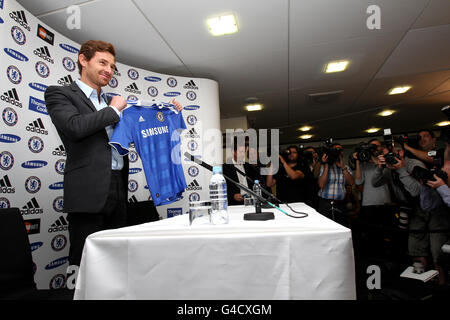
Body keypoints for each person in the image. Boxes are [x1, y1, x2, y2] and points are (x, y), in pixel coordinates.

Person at [44, 40, 182, 267]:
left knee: (117, 261)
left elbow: (144, 127)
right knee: (84, 262)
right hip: (87, 193)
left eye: (112, 66)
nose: (108, 70)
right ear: (83, 60)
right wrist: (113, 110)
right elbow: (74, 127)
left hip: (118, 188)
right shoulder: (60, 94)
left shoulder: (113, 101)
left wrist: (168, 112)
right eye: (102, 62)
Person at [352, 138, 394, 257]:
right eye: (372, 147)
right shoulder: (365, 165)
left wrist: (381, 163)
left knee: (388, 236)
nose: (375, 149)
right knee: (372, 238)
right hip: (369, 206)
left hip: (385, 204)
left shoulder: (387, 162)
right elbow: (358, 181)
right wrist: (358, 161)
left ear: (381, 148)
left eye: (377, 146)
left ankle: (388, 260)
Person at [316, 143, 355, 226]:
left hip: (341, 204)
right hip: (325, 203)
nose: (338, 152)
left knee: (342, 226)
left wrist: (343, 167)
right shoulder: (324, 167)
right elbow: (321, 185)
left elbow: (351, 183)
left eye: (340, 150)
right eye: (335, 150)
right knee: (326, 227)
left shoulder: (346, 168)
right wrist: (326, 164)